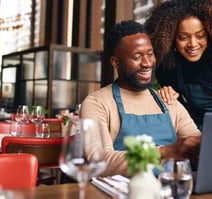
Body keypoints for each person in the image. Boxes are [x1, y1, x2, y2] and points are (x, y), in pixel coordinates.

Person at [80, 20, 201, 177]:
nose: (147, 63)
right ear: (116, 63)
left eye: (150, 54)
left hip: (172, 189)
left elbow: (197, 143)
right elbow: (99, 160)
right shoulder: (97, 103)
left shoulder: (167, 100)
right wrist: (163, 152)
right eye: (137, 57)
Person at [144, 0, 212, 129]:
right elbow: (180, 113)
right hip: (197, 122)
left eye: (200, 36)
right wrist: (168, 98)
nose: (193, 44)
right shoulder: (166, 65)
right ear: (171, 38)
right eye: (183, 38)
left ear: (211, 34)